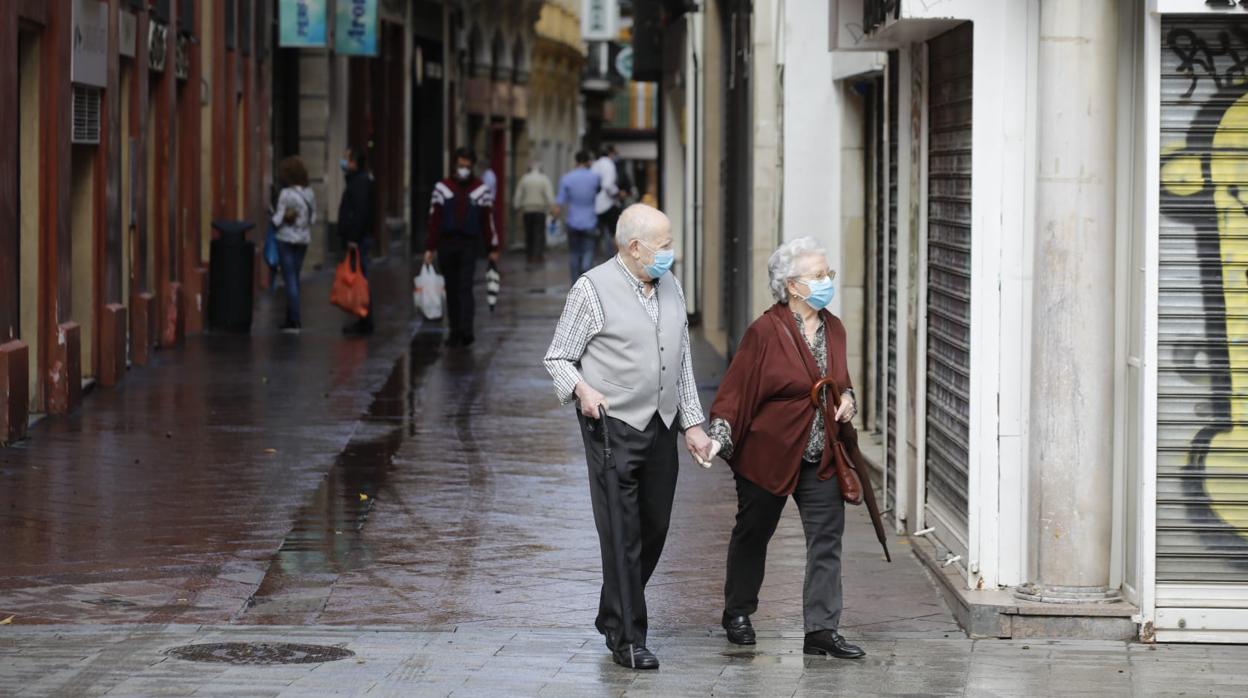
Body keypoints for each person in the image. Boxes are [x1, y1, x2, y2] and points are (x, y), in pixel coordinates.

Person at [543, 204, 713, 671]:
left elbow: (680, 361)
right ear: (634, 248)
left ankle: (611, 613)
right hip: (611, 424)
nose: (671, 252)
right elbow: (558, 357)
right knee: (622, 534)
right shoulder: (591, 289)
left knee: (654, 528)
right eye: (664, 244)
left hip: (660, 423)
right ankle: (630, 640)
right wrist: (582, 390)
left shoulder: (672, 286)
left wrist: (692, 425)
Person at [704, 237, 864, 660]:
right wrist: (718, 435)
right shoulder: (764, 331)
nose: (827, 281)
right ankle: (738, 612)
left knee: (827, 539)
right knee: (754, 534)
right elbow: (736, 390)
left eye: (828, 274)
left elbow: (841, 381)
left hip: (822, 453)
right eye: (818, 275)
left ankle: (822, 630)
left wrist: (848, 400)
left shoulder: (834, 327)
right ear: (792, 285)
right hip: (767, 453)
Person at [423, 147, 501, 347]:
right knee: (451, 288)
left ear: (472, 166)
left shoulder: (480, 190)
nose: (463, 169)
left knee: (465, 287)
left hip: (468, 244)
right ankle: (454, 330)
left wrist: (492, 246)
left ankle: (466, 331)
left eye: (467, 166)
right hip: (446, 243)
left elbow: (487, 220)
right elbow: (434, 219)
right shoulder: (442, 188)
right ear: (454, 165)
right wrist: (430, 248)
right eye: (460, 165)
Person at [271, 156, 316, 332]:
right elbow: (313, 218)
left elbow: (277, 220)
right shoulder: (310, 193)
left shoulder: (285, 194)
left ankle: (295, 321)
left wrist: (273, 215)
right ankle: (290, 319)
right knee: (294, 278)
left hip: (286, 240)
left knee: (289, 279)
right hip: (303, 240)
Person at [337, 146, 376, 336]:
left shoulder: (359, 182)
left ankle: (365, 318)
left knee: (361, 278)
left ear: (354, 162)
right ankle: (363, 317)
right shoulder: (357, 181)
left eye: (347, 159)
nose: (344, 162)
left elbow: (360, 212)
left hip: (358, 239)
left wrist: (353, 237)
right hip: (358, 237)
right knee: (360, 277)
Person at [554, 150, 602, 283]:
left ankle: (575, 284)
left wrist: (554, 217)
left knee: (574, 254)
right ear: (588, 162)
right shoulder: (595, 177)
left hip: (572, 221)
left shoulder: (567, 178)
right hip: (590, 221)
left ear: (576, 162)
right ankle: (586, 276)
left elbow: (560, 201)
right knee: (588, 251)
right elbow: (598, 190)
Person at [513, 162, 554, 264]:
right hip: (540, 209)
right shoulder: (544, 179)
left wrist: (517, 205)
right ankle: (538, 255)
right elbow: (549, 194)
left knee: (529, 233)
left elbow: (519, 194)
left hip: (527, 209)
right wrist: (552, 206)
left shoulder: (524, 178)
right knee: (539, 233)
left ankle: (529, 255)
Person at [592, 145, 621, 254]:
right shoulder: (609, 164)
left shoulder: (595, 164)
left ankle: (596, 254)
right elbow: (608, 185)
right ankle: (618, 258)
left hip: (595, 204)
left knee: (597, 233)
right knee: (614, 232)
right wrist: (617, 193)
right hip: (607, 204)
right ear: (611, 153)